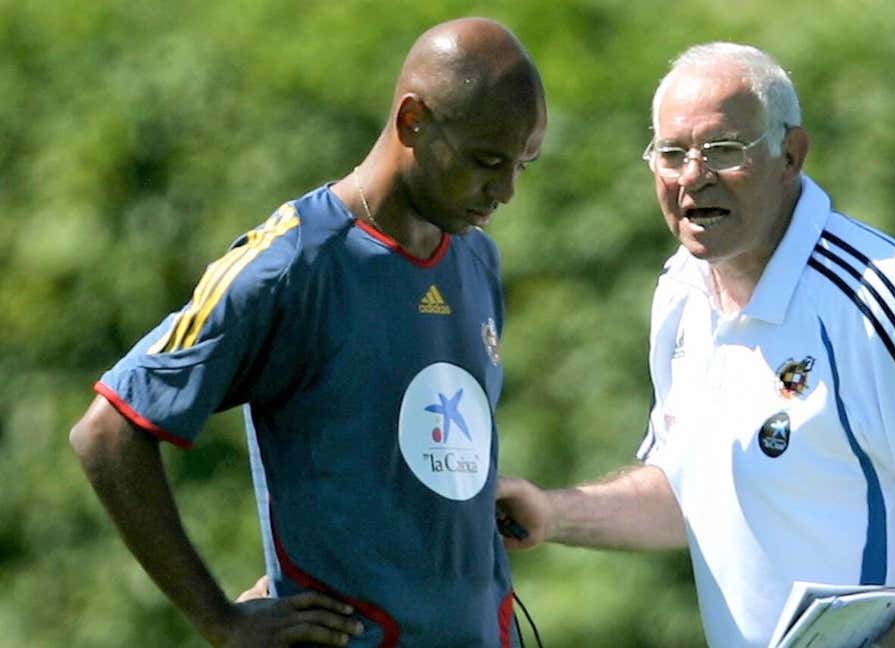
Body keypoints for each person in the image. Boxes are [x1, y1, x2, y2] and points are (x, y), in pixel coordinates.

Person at [497, 43, 895, 648]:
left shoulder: (880, 303)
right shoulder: (681, 292)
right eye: (672, 153)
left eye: (724, 151)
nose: (693, 176)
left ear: (791, 155)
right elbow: (689, 493)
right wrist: (552, 513)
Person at [69, 17, 545, 648]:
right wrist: (219, 618)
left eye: (523, 163)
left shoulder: (476, 259)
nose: (507, 189)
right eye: (488, 161)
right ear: (413, 122)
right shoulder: (293, 261)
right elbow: (107, 432)